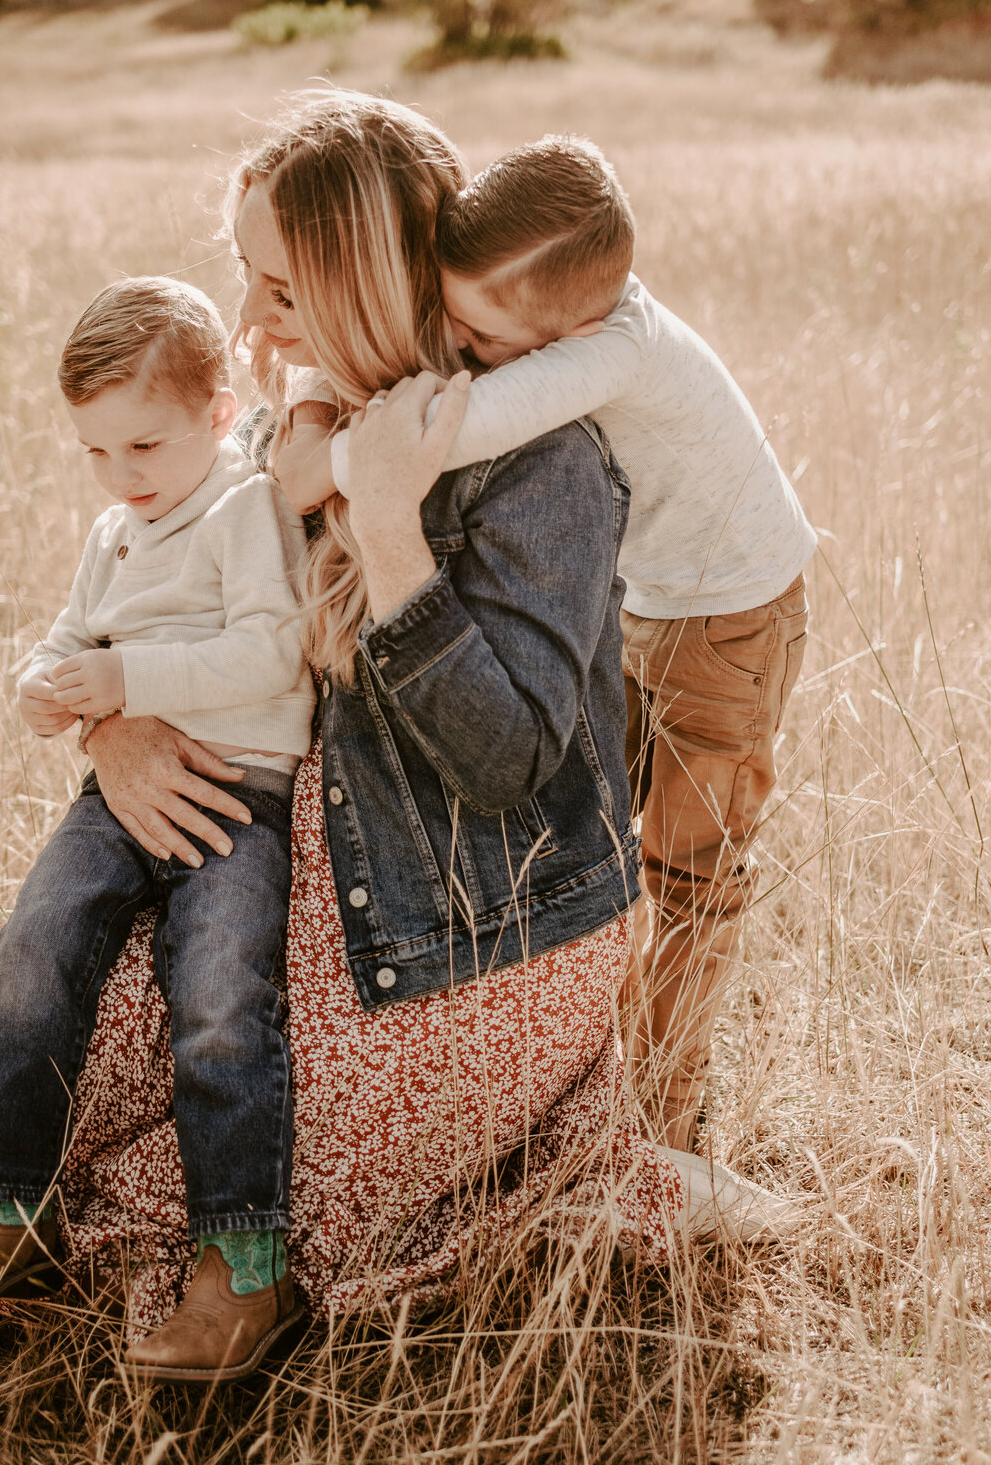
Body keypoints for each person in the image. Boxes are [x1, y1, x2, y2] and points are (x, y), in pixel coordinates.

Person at [0, 95, 796, 1387]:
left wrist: (389, 521)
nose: (249, 329)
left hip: (479, 924)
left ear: (362, 285)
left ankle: (344, 1237)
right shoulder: (283, 426)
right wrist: (120, 733)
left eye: (281, 293)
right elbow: (151, 607)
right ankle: (15, 1227)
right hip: (292, 862)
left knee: (216, 1174)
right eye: (244, 283)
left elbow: (508, 766)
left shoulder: (542, 469)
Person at [272, 134, 814, 1152]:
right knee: (602, 827)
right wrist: (311, 367)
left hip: (733, 611)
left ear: (576, 327)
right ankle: (579, 1081)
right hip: (646, 598)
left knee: (691, 869)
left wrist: (307, 466)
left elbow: (451, 432)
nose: (459, 347)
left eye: (480, 335)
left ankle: (662, 1119)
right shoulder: (544, 304)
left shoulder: (612, 349)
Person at [0, 277, 317, 1382]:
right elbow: (68, 637)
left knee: (219, 998)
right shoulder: (116, 532)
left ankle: (244, 1269)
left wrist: (128, 677)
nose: (123, 478)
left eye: (146, 447)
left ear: (218, 413)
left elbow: (275, 651)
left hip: (236, 792)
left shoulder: (243, 507)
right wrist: (45, 686)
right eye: (97, 455)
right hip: (113, 803)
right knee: (32, 959)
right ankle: (6, 1215)